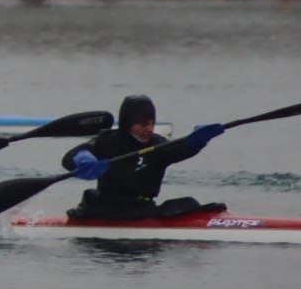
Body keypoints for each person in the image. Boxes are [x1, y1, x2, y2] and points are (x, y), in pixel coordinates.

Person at [62, 94, 226, 220]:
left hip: (141, 207)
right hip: (106, 207)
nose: (149, 129)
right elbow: (71, 155)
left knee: (189, 203)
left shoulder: (158, 144)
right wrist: (83, 159)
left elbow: (179, 150)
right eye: (142, 124)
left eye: (151, 123)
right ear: (127, 123)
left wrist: (196, 142)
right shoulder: (107, 140)